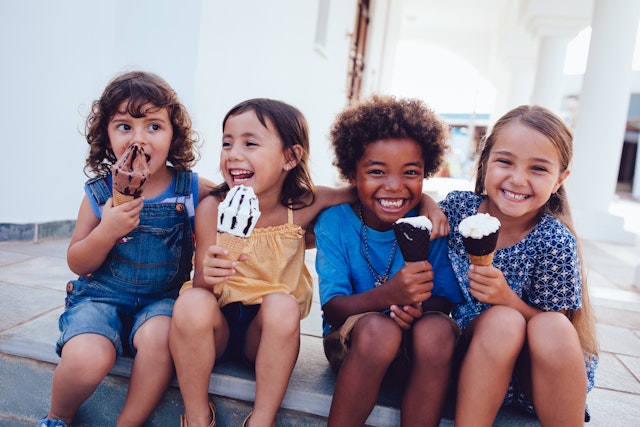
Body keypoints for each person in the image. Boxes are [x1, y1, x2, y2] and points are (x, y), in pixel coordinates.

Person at [169, 98, 449, 427]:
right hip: (215, 329)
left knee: (283, 305)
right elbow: (202, 282)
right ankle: (197, 415)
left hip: (263, 336)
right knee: (192, 301)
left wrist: (428, 201)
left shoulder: (304, 205)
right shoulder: (213, 209)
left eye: (250, 143)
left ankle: (262, 419)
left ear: (291, 157)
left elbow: (368, 190)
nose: (233, 153)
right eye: (227, 143)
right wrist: (207, 276)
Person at [38, 71, 214, 427]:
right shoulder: (99, 193)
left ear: (173, 134)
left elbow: (240, 198)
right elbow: (77, 261)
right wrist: (107, 230)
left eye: (153, 126)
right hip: (99, 299)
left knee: (162, 336)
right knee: (88, 356)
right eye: (124, 126)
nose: (139, 138)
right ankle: (58, 416)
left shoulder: (190, 189)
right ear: (107, 135)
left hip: (160, 302)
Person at [439, 105, 599, 426]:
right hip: (471, 361)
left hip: (533, 379)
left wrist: (507, 299)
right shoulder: (458, 211)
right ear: (484, 163)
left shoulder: (554, 240)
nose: (518, 179)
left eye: (538, 169)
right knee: (502, 322)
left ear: (559, 180)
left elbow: (559, 329)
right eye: (505, 161)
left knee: (547, 324)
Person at [314, 94, 463, 427]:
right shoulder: (335, 223)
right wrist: (390, 296)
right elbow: (333, 309)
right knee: (379, 332)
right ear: (353, 173)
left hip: (414, 348)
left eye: (410, 172)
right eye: (377, 171)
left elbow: (443, 300)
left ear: (426, 173)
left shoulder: (432, 225)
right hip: (355, 343)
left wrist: (416, 310)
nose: (394, 186)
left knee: (439, 330)